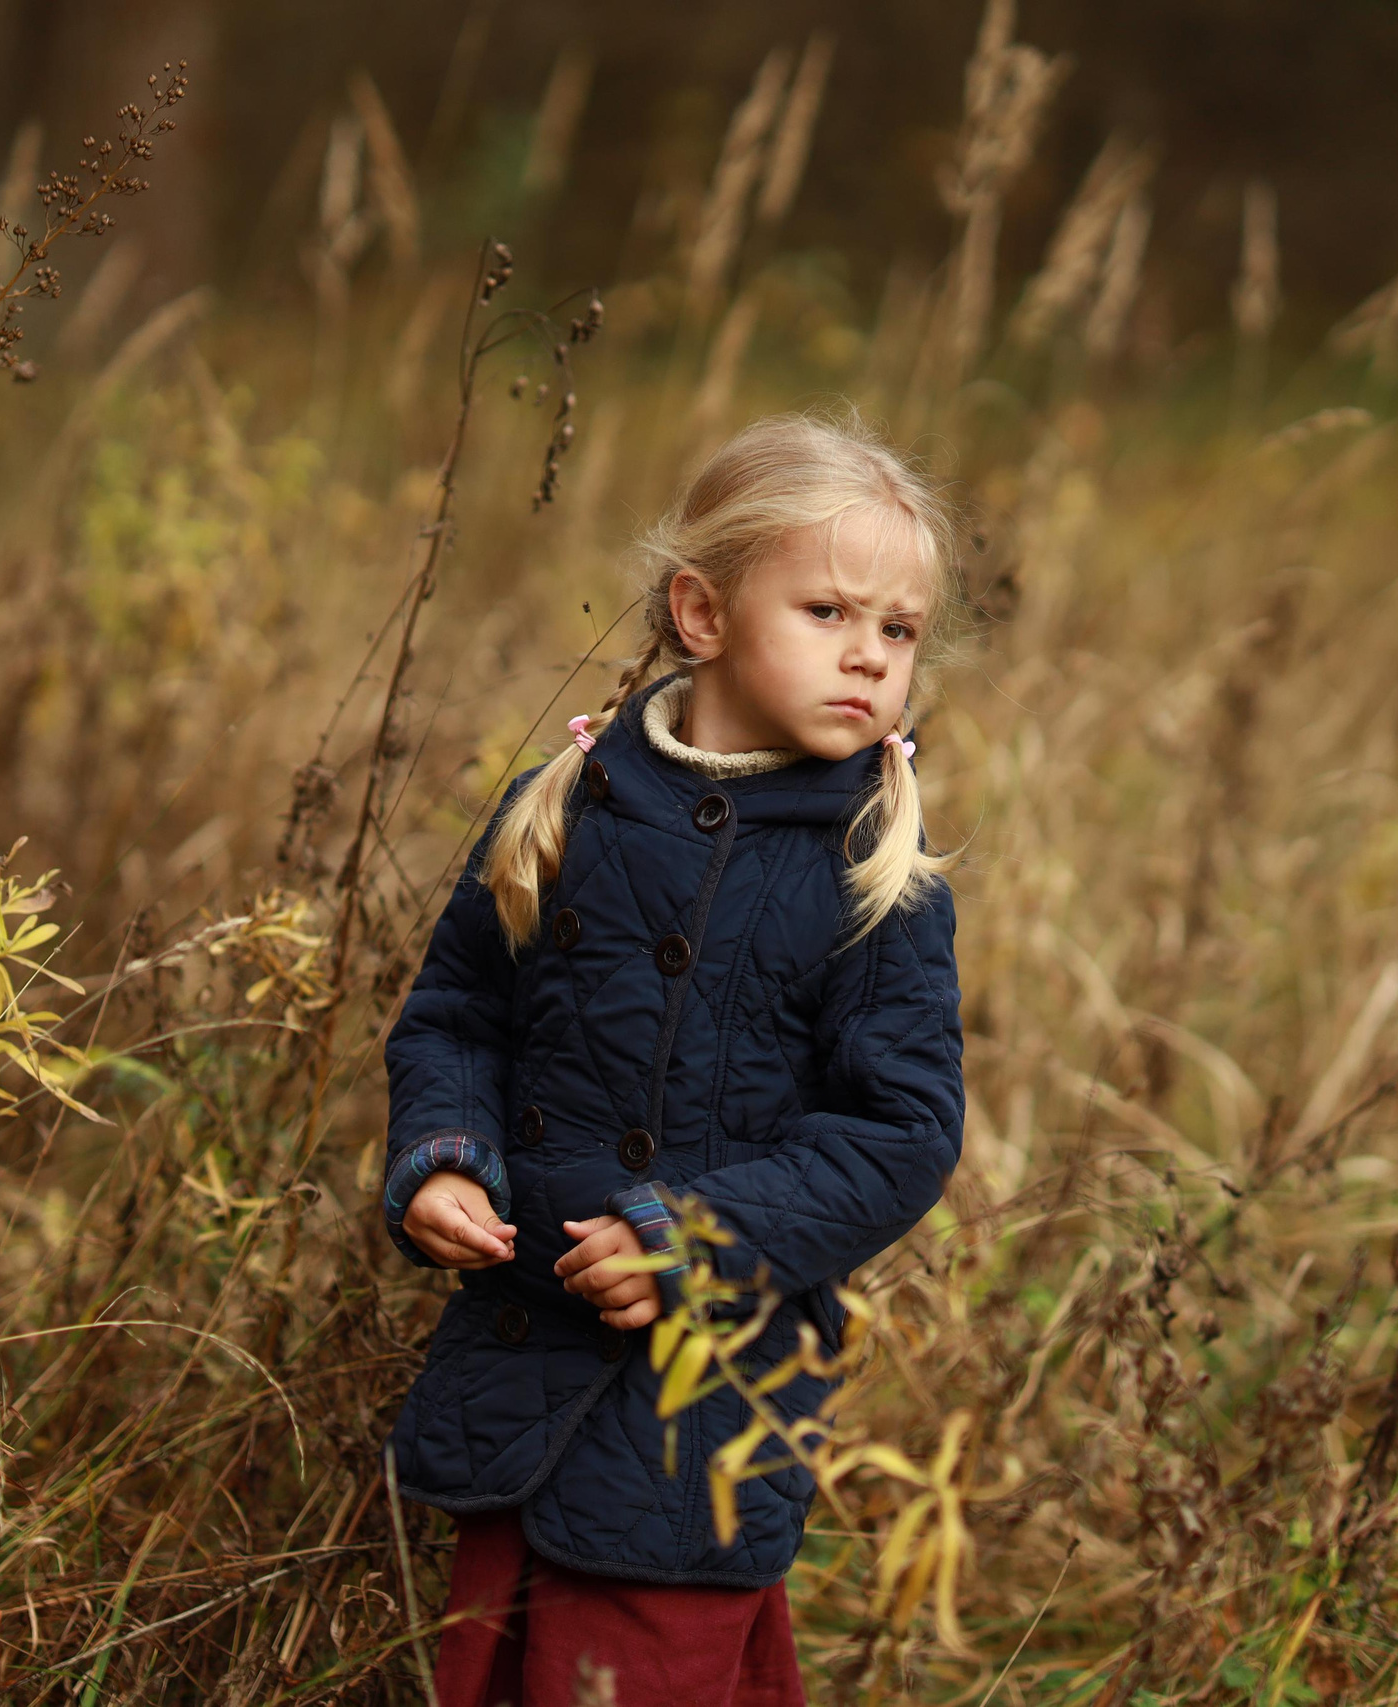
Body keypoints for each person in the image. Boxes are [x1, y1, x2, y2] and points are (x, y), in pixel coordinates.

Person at [379, 410, 969, 1707]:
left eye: (900, 629)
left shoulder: (874, 875)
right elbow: (459, 1016)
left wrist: (692, 1240)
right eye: (826, 611)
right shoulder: (566, 806)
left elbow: (900, 1133)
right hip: (523, 1359)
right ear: (702, 615)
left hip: (704, 1407)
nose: (870, 655)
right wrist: (441, 1160)